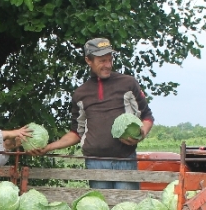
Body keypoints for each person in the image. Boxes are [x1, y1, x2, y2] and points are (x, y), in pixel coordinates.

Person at [31, 37, 154, 190]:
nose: (108, 65)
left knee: (126, 208)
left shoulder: (128, 83)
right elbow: (76, 133)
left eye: (110, 60)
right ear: (88, 60)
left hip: (125, 160)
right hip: (95, 162)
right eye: (102, 61)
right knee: (101, 208)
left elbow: (147, 117)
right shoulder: (81, 94)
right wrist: (49, 147)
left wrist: (141, 133)